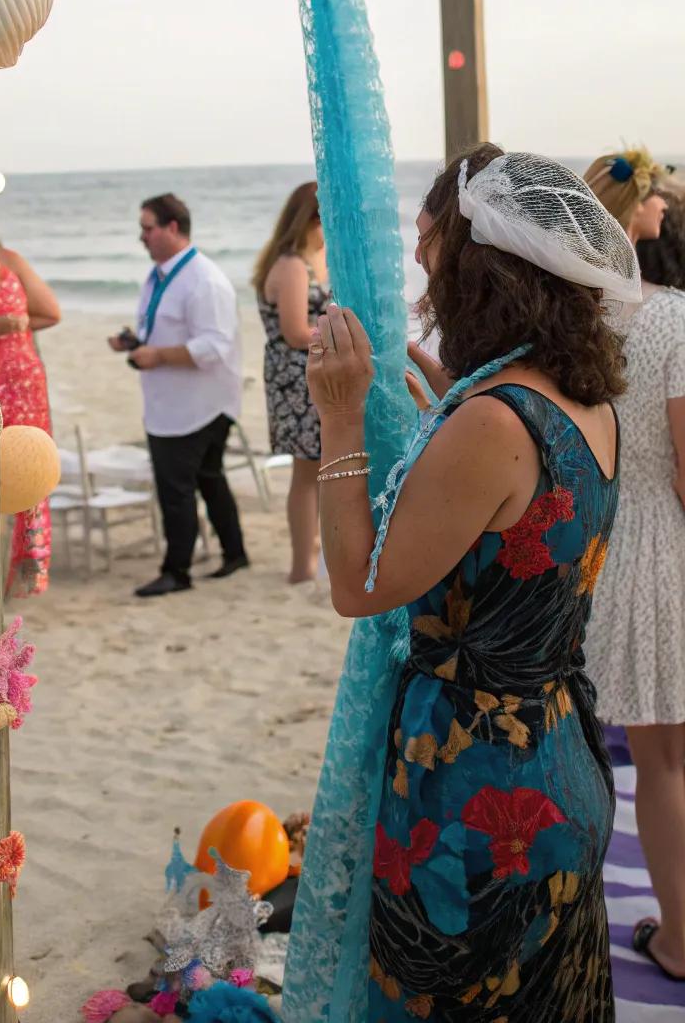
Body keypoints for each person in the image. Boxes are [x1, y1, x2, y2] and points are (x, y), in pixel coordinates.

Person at [283, 146, 640, 1023]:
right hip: (557, 752)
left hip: (478, 794)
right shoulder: (578, 399)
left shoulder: (491, 422)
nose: (417, 261)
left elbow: (361, 587)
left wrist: (338, 418)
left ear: (483, 261)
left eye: (429, 238)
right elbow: (521, 532)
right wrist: (447, 398)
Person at [584, 151, 685, 980]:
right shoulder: (673, 319)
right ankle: (681, 939)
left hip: (589, 542)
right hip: (662, 545)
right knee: (667, 760)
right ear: (636, 210)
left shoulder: (570, 320)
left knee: (596, 746)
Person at [109, 193, 248, 598]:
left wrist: (157, 355)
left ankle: (178, 571)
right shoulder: (160, 275)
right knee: (208, 479)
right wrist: (135, 343)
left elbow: (215, 345)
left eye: (147, 228)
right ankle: (235, 552)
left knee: (177, 489)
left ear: (173, 228)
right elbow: (166, 329)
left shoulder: (204, 279)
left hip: (198, 405)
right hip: (173, 400)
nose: (142, 237)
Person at [254, 181, 330, 583]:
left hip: (314, 371)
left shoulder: (319, 259)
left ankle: (316, 556)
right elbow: (296, 332)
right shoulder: (291, 265)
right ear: (311, 219)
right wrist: (342, 333)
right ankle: (301, 566)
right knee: (306, 471)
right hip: (295, 376)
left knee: (323, 468)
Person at [0, 239, 61, 595]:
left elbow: (50, 313)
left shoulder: (9, 259)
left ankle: (27, 571)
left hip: (24, 384)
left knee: (32, 470)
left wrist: (16, 326)